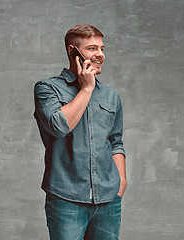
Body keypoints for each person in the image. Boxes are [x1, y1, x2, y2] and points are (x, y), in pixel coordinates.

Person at [34, 24, 127, 240]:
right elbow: (58, 126)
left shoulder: (111, 95)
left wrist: (121, 181)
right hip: (66, 199)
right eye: (92, 49)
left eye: (102, 49)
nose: (100, 55)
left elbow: (115, 141)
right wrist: (86, 88)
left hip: (108, 200)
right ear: (72, 51)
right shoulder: (47, 88)